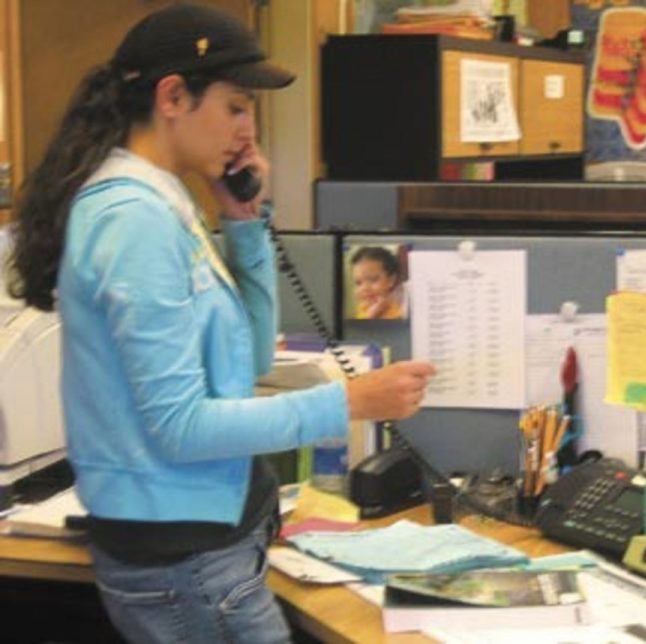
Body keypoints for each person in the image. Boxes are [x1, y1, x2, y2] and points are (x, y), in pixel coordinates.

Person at [4, 4, 434, 643]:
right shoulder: (133, 220)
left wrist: (241, 223)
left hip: (209, 550)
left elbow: (251, 358)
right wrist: (347, 402)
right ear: (173, 96)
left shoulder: (165, 201)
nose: (247, 130)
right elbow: (181, 426)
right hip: (187, 564)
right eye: (236, 106)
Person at [350, 245, 406, 320]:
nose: (365, 288)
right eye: (358, 283)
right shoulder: (362, 308)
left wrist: (371, 317)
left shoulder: (398, 314)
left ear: (391, 280)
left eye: (373, 280)